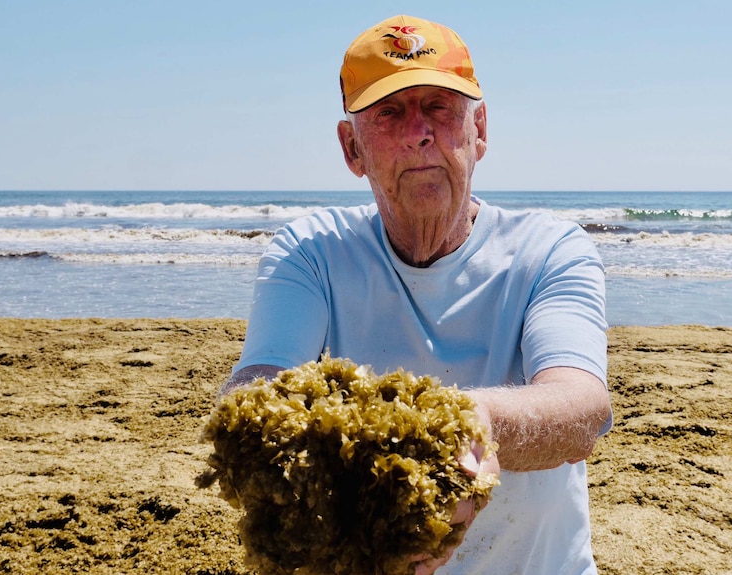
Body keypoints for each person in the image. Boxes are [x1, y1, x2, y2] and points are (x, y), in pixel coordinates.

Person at [221, 14, 613, 575]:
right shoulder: (312, 251)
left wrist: (461, 431)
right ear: (351, 148)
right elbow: (259, 387)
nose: (418, 132)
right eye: (389, 112)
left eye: (439, 107)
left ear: (479, 129)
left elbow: (580, 411)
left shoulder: (548, 250)